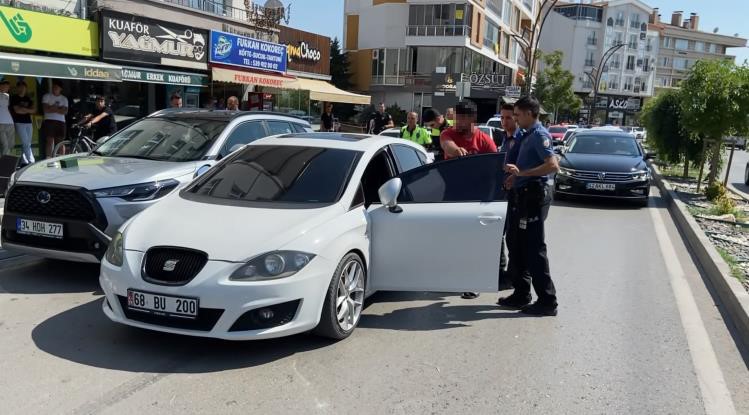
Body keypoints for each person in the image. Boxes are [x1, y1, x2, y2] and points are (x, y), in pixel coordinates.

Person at [498, 96, 560, 316]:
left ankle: (547, 301)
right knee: (516, 245)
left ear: (529, 114)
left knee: (534, 250)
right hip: (520, 197)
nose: (514, 118)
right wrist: (515, 178)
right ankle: (521, 293)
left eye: (516, 114)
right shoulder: (527, 135)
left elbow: (553, 165)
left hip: (532, 199)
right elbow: (524, 164)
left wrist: (522, 174)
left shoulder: (539, 136)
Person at [439, 100, 497, 300]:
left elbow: (495, 167)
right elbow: (447, 144)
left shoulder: (484, 140)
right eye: (457, 117)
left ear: (473, 119)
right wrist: (455, 151)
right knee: (451, 240)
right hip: (453, 197)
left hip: (476, 200)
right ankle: (450, 278)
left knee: (475, 243)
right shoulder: (449, 133)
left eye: (464, 118)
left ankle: (474, 282)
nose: (459, 122)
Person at [496, 103, 523, 291]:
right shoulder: (505, 138)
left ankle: (513, 277)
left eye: (508, 117)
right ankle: (502, 273)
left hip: (518, 194)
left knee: (514, 237)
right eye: (502, 118)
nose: (504, 122)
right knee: (501, 233)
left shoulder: (521, 139)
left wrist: (515, 177)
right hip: (504, 192)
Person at [10, 81, 35, 165]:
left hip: (29, 122)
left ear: (26, 88)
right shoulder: (14, 98)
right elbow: (17, 110)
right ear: (17, 88)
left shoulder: (28, 98)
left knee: (28, 143)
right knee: (25, 142)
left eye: (23, 87)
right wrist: (27, 110)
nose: (22, 89)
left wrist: (24, 110)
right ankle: (32, 161)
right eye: (20, 87)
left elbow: (33, 110)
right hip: (19, 122)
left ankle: (24, 161)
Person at [42, 80, 68, 159]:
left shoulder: (64, 99)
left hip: (61, 122)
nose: (54, 89)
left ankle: (61, 159)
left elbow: (65, 111)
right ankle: (48, 159)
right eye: (53, 87)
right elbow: (45, 109)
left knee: (60, 142)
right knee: (49, 140)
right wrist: (59, 109)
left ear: (60, 89)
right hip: (49, 120)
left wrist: (52, 107)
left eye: (57, 87)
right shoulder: (46, 96)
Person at [0, 80, 15, 156]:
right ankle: (4, 164)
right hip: (1, 123)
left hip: (10, 122)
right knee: (4, 144)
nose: (6, 88)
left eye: (8, 87)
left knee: (11, 144)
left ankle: (7, 161)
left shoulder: (7, 96)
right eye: (5, 86)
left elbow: (8, 108)